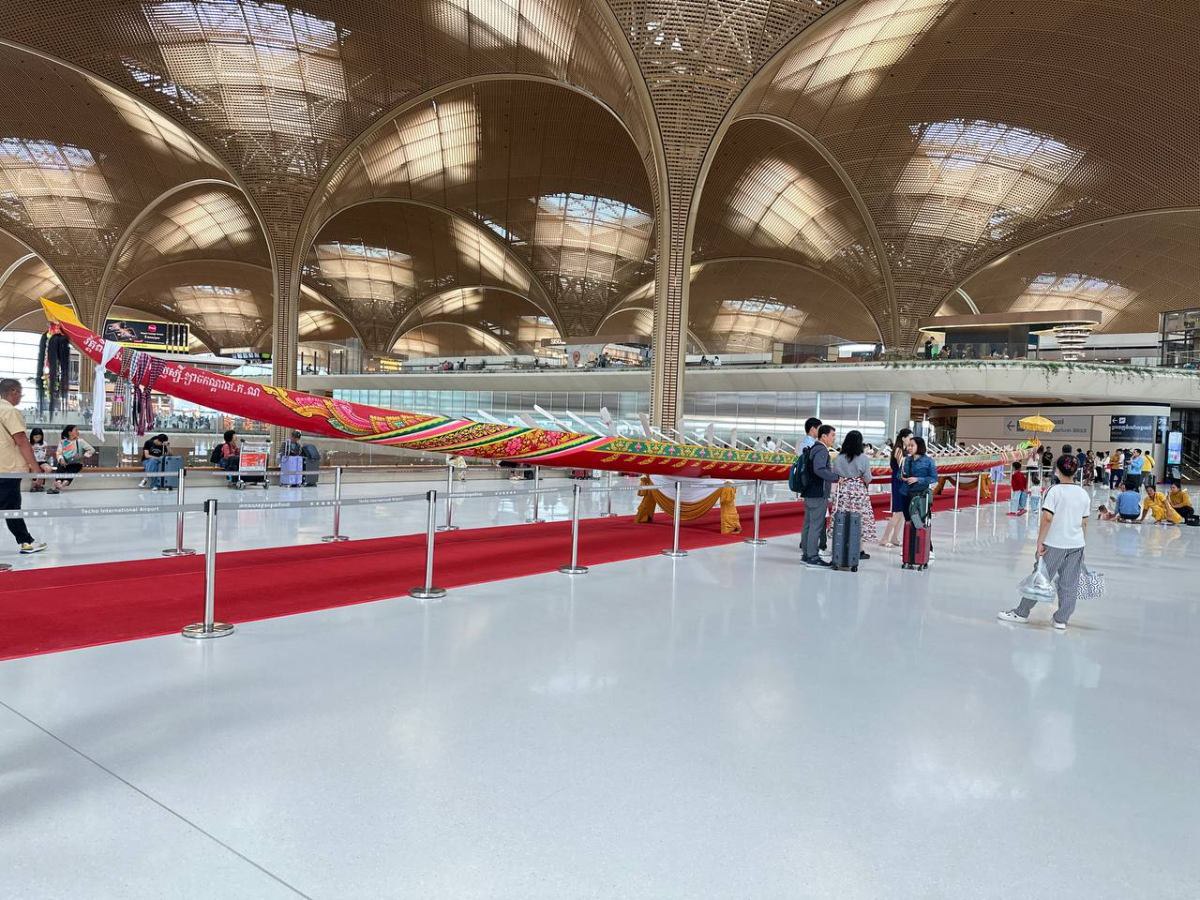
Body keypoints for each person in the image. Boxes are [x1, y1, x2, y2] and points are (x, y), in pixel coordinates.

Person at [998, 454, 1090, 630]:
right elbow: (1084, 522)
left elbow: (1047, 518)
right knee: (1069, 583)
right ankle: (1061, 619)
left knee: (1039, 578)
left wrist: (1040, 542)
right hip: (1076, 545)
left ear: (1057, 470)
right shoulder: (1083, 493)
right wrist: (1082, 544)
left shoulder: (1054, 491)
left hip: (1054, 544)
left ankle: (1022, 612)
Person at [0, 379, 46, 554]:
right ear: (13, 391)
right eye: (20, 393)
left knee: (9, 506)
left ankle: (26, 540)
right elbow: (21, 440)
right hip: (8, 468)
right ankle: (26, 542)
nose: (20, 397)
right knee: (11, 507)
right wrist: (36, 469)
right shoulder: (9, 411)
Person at [827, 429, 878, 557]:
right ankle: (859, 550)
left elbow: (834, 473)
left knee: (841, 517)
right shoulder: (863, 458)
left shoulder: (839, 457)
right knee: (859, 519)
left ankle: (840, 547)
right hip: (858, 491)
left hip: (843, 490)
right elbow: (868, 478)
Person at [800, 425, 840, 567]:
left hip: (809, 492)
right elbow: (819, 469)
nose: (834, 438)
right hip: (818, 493)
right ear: (824, 436)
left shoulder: (813, 448)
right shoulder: (822, 450)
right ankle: (812, 556)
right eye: (832, 435)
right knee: (816, 525)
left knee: (808, 524)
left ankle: (806, 554)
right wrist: (836, 477)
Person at [879, 428, 912, 547]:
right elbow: (902, 466)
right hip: (899, 481)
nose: (911, 440)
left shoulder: (904, 450)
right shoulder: (898, 450)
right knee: (898, 512)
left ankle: (894, 538)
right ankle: (884, 538)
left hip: (903, 481)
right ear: (903, 438)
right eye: (909, 438)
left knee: (902, 512)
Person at [48, 425, 95, 494]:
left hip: (76, 463)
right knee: (60, 467)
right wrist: (61, 459)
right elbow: (59, 452)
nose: (78, 432)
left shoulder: (80, 441)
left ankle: (60, 486)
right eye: (76, 430)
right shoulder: (62, 442)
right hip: (65, 462)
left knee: (72, 470)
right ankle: (59, 483)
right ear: (70, 432)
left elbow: (92, 450)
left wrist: (82, 456)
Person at [28, 427, 52, 492]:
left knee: (49, 469)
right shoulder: (29, 443)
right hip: (32, 461)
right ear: (32, 436)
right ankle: (37, 486)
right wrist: (32, 449)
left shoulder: (44, 443)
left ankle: (37, 484)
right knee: (35, 470)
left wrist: (46, 452)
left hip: (42, 461)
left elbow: (47, 455)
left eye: (39, 437)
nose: (37, 439)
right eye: (36, 437)